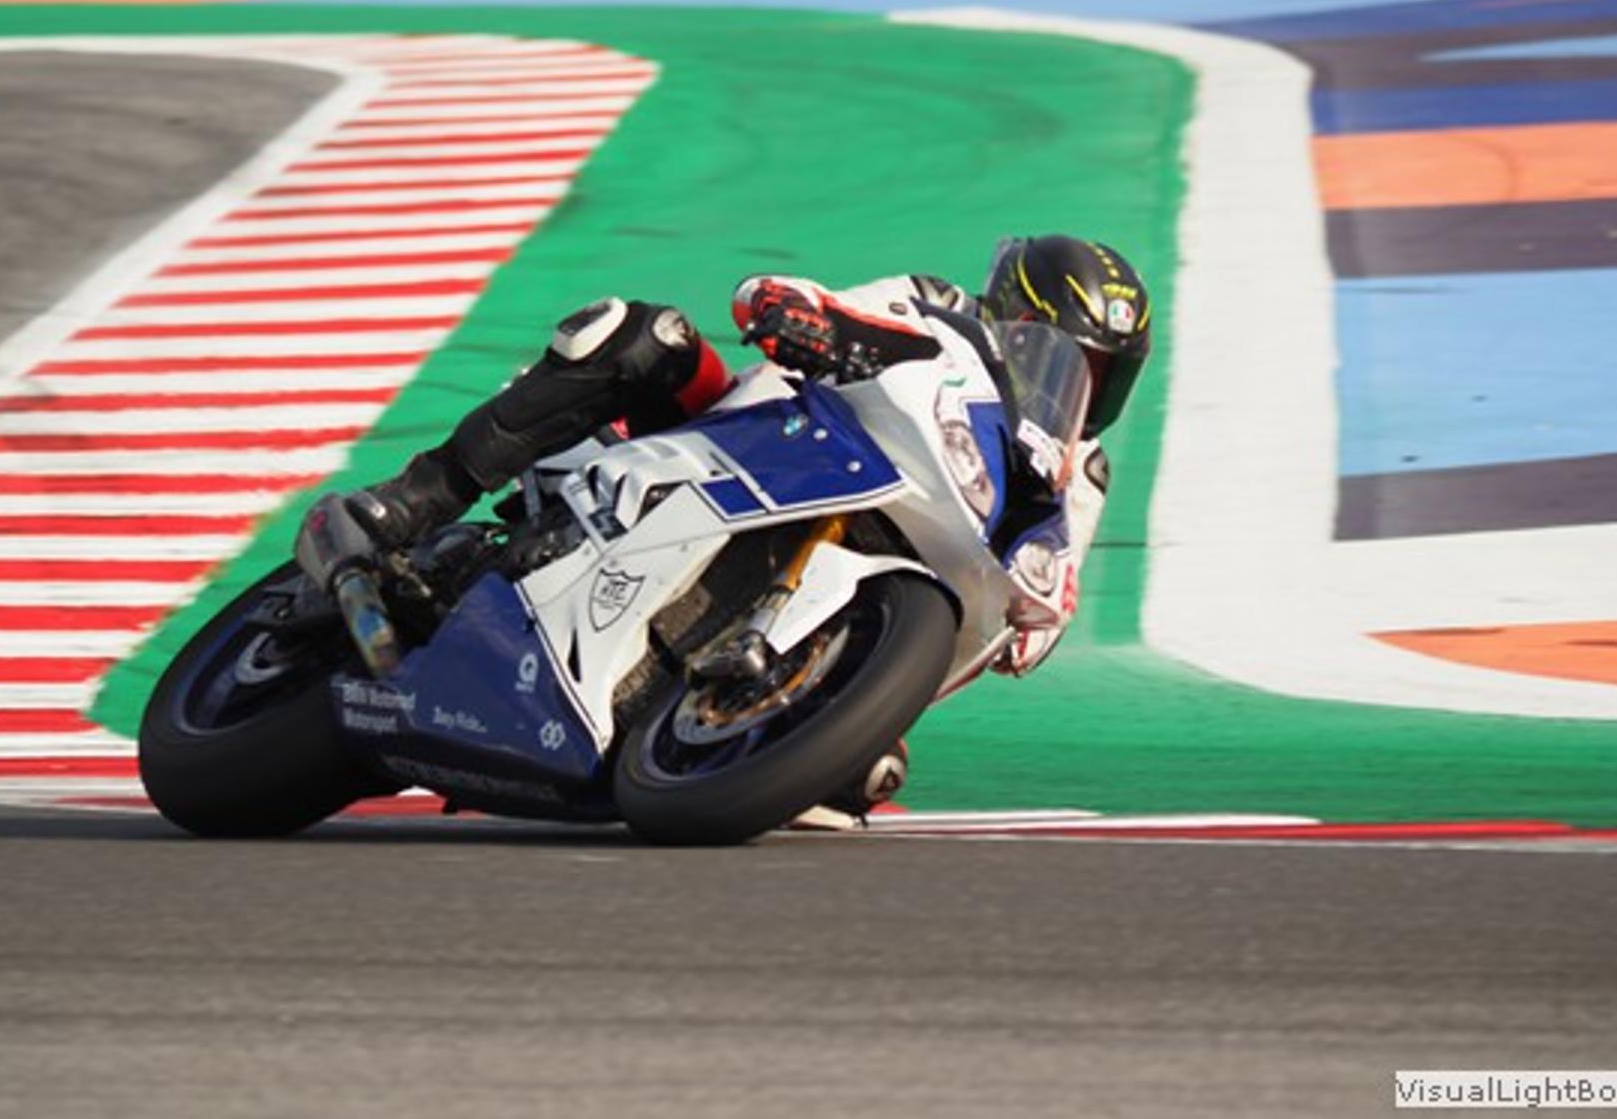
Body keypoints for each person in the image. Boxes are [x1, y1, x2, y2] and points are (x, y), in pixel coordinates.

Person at [299, 234, 1152, 800]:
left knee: (861, 775)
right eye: (1067, 353)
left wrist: (1033, 611)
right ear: (1014, 312)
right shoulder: (939, 307)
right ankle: (410, 502)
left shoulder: (1076, 472)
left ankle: (785, 702)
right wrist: (801, 315)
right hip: (760, 436)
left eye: (1098, 372)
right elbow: (835, 308)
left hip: (909, 534)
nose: (1079, 381)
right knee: (640, 337)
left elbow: (1047, 592)